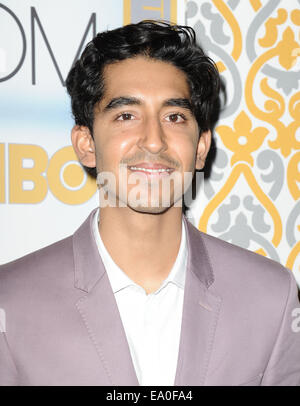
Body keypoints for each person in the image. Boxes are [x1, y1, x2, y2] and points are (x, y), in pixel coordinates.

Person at [0, 21, 299, 387]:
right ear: (86, 144)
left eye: (174, 117)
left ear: (201, 147)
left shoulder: (271, 296)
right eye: (126, 115)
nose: (154, 140)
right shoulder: (10, 300)